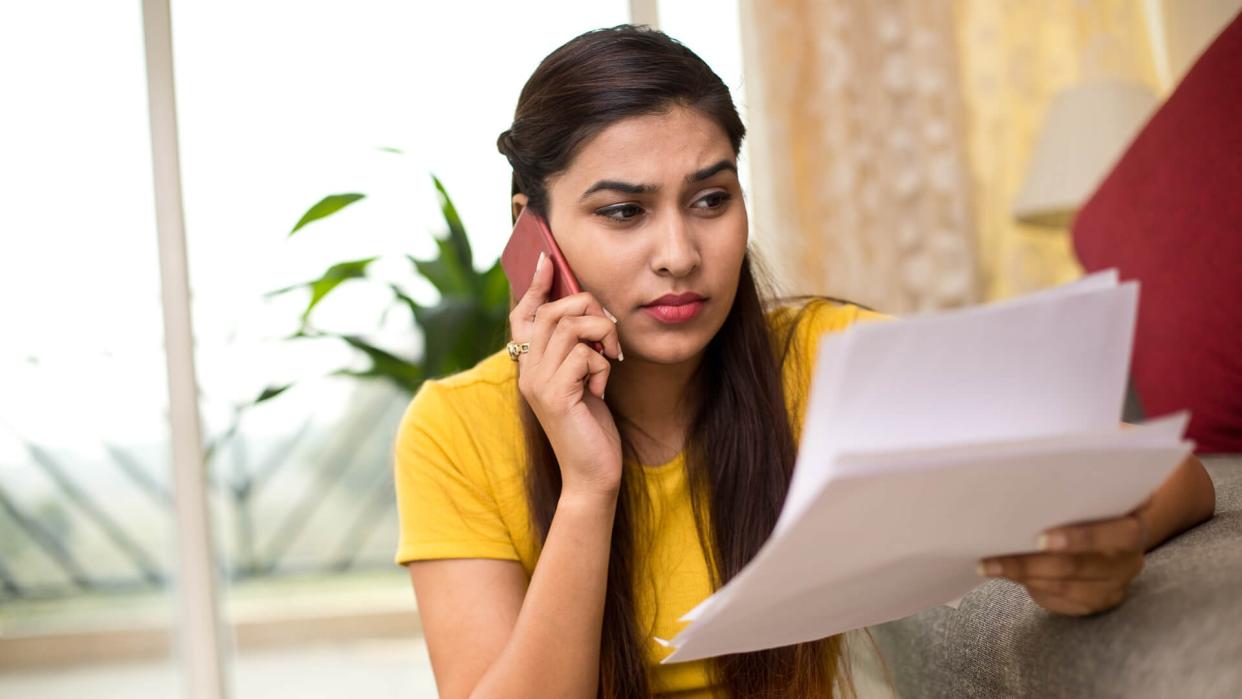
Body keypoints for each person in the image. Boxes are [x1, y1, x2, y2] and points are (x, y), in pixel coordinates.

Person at [393, 24, 1216, 699]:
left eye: (711, 199)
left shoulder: (819, 360)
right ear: (530, 230)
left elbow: (1174, 470)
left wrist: (1119, 535)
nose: (679, 252)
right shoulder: (453, 429)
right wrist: (588, 488)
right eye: (624, 211)